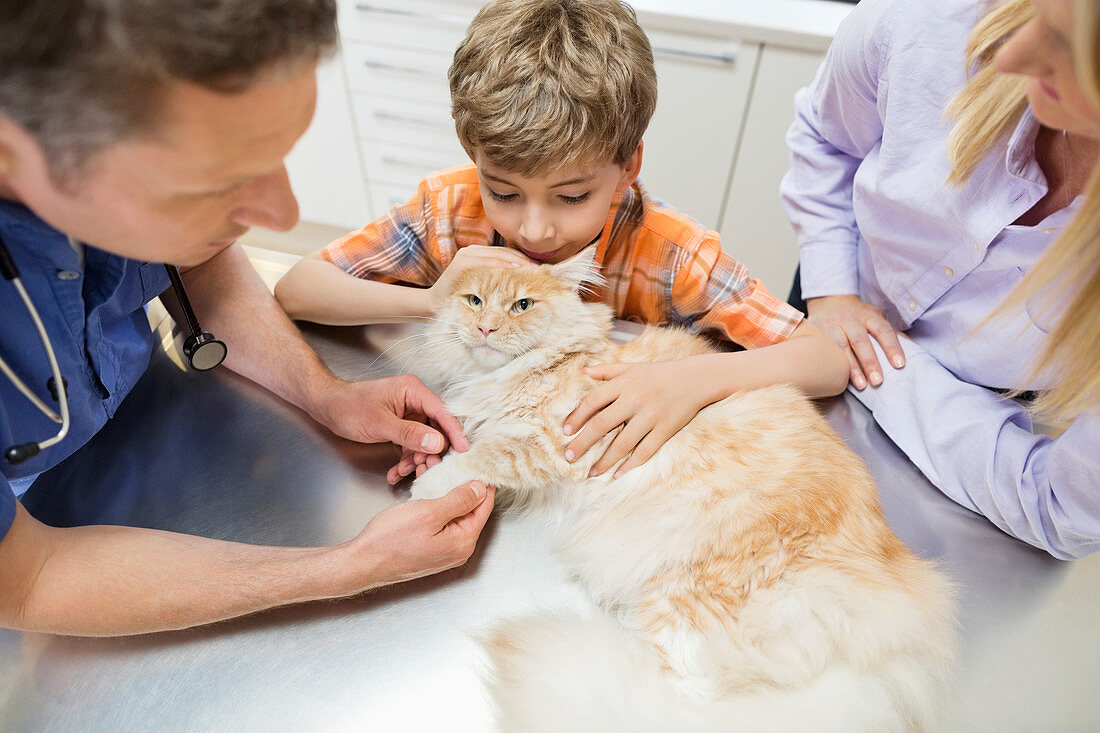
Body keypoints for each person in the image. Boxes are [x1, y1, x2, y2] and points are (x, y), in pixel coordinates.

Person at [0, 0, 496, 637]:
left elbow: (197, 259)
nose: (283, 215)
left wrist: (326, 395)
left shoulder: (104, 160)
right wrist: (343, 568)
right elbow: (30, 579)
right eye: (214, 185)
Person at [274, 0, 850, 478]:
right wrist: (430, 298)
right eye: (503, 191)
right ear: (474, 157)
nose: (533, 228)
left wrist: (689, 379)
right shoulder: (450, 209)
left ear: (627, 167)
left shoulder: (672, 253)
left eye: (571, 197)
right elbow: (299, 289)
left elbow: (824, 358)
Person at [780, 0, 1100, 559]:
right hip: (838, 300)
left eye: (1065, 44)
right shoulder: (927, 17)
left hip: (985, 428)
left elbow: (1064, 509)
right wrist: (831, 296)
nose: (1012, 54)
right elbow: (825, 137)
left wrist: (875, 371)